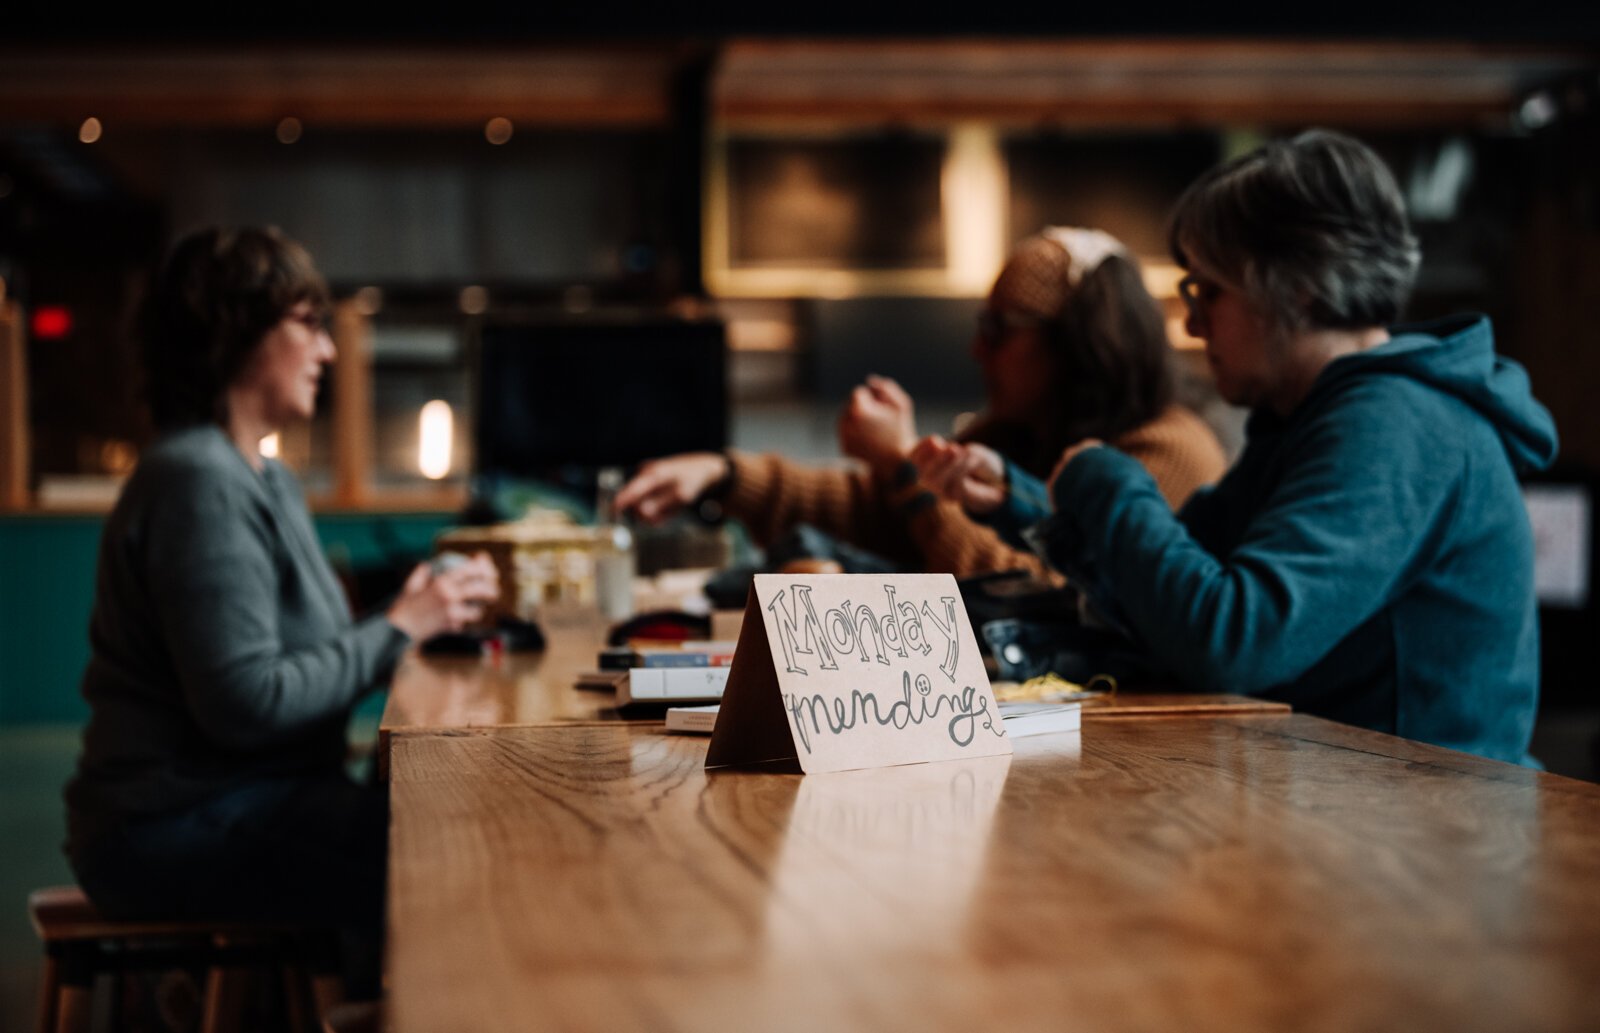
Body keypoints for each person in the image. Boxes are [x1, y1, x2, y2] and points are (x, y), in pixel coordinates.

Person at [917, 130, 1556, 766]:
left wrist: (1104, 480)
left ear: (1299, 285)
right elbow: (1167, 590)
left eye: (1208, 291)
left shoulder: (1400, 425)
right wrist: (1020, 500)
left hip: (1429, 840)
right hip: (1354, 818)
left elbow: (1232, 641)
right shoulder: (1313, 419)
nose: (1192, 323)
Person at [63, 227, 498, 994]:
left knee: (430, 817)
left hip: (236, 797)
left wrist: (414, 609)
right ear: (237, 329)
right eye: (309, 322)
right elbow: (246, 701)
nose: (327, 351)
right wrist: (401, 626)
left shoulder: (258, 472)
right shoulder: (199, 478)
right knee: (438, 844)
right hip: (161, 823)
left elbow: (303, 644)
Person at [615, 227, 1225, 580]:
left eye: (998, 329)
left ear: (1078, 343)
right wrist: (724, 473)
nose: (976, 350)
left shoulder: (1168, 451)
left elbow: (1027, 582)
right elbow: (872, 513)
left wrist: (907, 464)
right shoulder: (1019, 437)